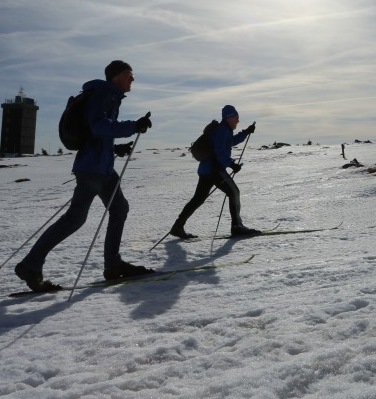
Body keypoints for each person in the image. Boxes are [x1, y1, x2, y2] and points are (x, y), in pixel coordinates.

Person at [14, 60, 154, 291]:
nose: (132, 79)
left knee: (119, 208)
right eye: (129, 75)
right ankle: (31, 264)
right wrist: (133, 125)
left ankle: (113, 263)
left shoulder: (109, 96)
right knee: (75, 219)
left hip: (103, 168)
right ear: (116, 76)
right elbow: (98, 126)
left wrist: (114, 148)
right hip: (92, 169)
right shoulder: (102, 93)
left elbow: (97, 133)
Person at [170, 105, 259, 239]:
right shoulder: (223, 130)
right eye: (236, 118)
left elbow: (231, 142)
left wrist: (245, 132)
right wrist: (231, 164)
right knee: (234, 192)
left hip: (206, 170)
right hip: (214, 169)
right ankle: (237, 226)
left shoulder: (224, 130)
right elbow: (219, 151)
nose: (238, 120)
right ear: (229, 117)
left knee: (197, 199)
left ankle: (177, 227)